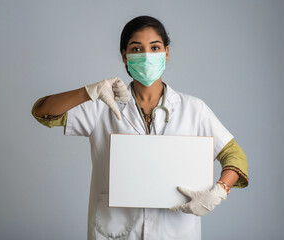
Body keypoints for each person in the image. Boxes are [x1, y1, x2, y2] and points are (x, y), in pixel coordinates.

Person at [31, 15, 248, 240]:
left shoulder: (194, 108)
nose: (146, 56)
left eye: (155, 47)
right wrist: (90, 91)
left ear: (166, 52)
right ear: (124, 56)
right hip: (116, 230)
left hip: (175, 230)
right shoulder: (101, 106)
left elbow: (235, 156)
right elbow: (42, 111)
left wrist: (220, 190)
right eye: (136, 49)